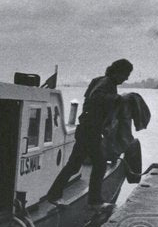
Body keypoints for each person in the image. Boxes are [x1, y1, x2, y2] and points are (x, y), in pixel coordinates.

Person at [45, 58, 133, 207]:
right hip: (89, 130)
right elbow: (95, 97)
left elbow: (90, 100)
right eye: (125, 75)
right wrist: (119, 98)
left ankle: (56, 195)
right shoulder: (106, 83)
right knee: (98, 165)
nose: (126, 78)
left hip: (88, 129)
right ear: (118, 72)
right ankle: (92, 201)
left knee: (76, 165)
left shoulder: (99, 80)